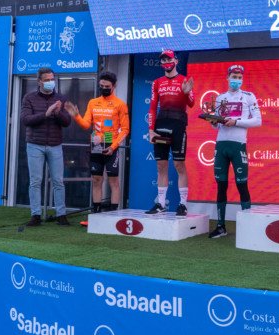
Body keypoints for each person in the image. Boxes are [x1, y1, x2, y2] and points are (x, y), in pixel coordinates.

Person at [208, 65, 262, 239]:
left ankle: (248, 227)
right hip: (221, 145)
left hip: (238, 145)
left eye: (239, 76)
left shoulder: (248, 96)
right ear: (227, 77)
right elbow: (216, 124)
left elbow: (257, 121)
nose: (237, 79)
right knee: (221, 185)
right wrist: (212, 120)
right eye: (234, 76)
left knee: (241, 184)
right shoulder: (220, 98)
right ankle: (221, 226)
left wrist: (236, 122)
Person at [65, 71, 130, 213]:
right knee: (96, 180)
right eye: (101, 86)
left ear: (114, 86)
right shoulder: (93, 103)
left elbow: (125, 129)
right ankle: (96, 212)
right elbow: (86, 125)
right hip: (96, 144)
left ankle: (114, 213)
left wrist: (113, 147)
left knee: (113, 181)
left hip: (112, 145)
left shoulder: (120, 104)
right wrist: (76, 116)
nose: (104, 88)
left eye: (107, 86)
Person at [20, 67, 71, 227]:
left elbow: (67, 122)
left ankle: (61, 215)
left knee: (58, 181)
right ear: (39, 81)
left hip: (55, 145)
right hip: (35, 144)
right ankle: (35, 215)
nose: (50, 82)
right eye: (47, 80)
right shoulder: (29, 98)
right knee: (35, 181)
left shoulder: (60, 98)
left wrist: (57, 113)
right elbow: (26, 119)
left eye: (52, 79)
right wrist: (46, 114)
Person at [146, 49, 195, 216]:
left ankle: (183, 204)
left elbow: (192, 104)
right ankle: (160, 204)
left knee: (179, 164)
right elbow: (152, 108)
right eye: (163, 60)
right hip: (161, 125)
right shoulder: (157, 82)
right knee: (161, 165)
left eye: (169, 59)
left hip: (178, 126)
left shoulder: (184, 80)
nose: (166, 62)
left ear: (176, 61)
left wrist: (187, 93)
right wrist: (151, 130)